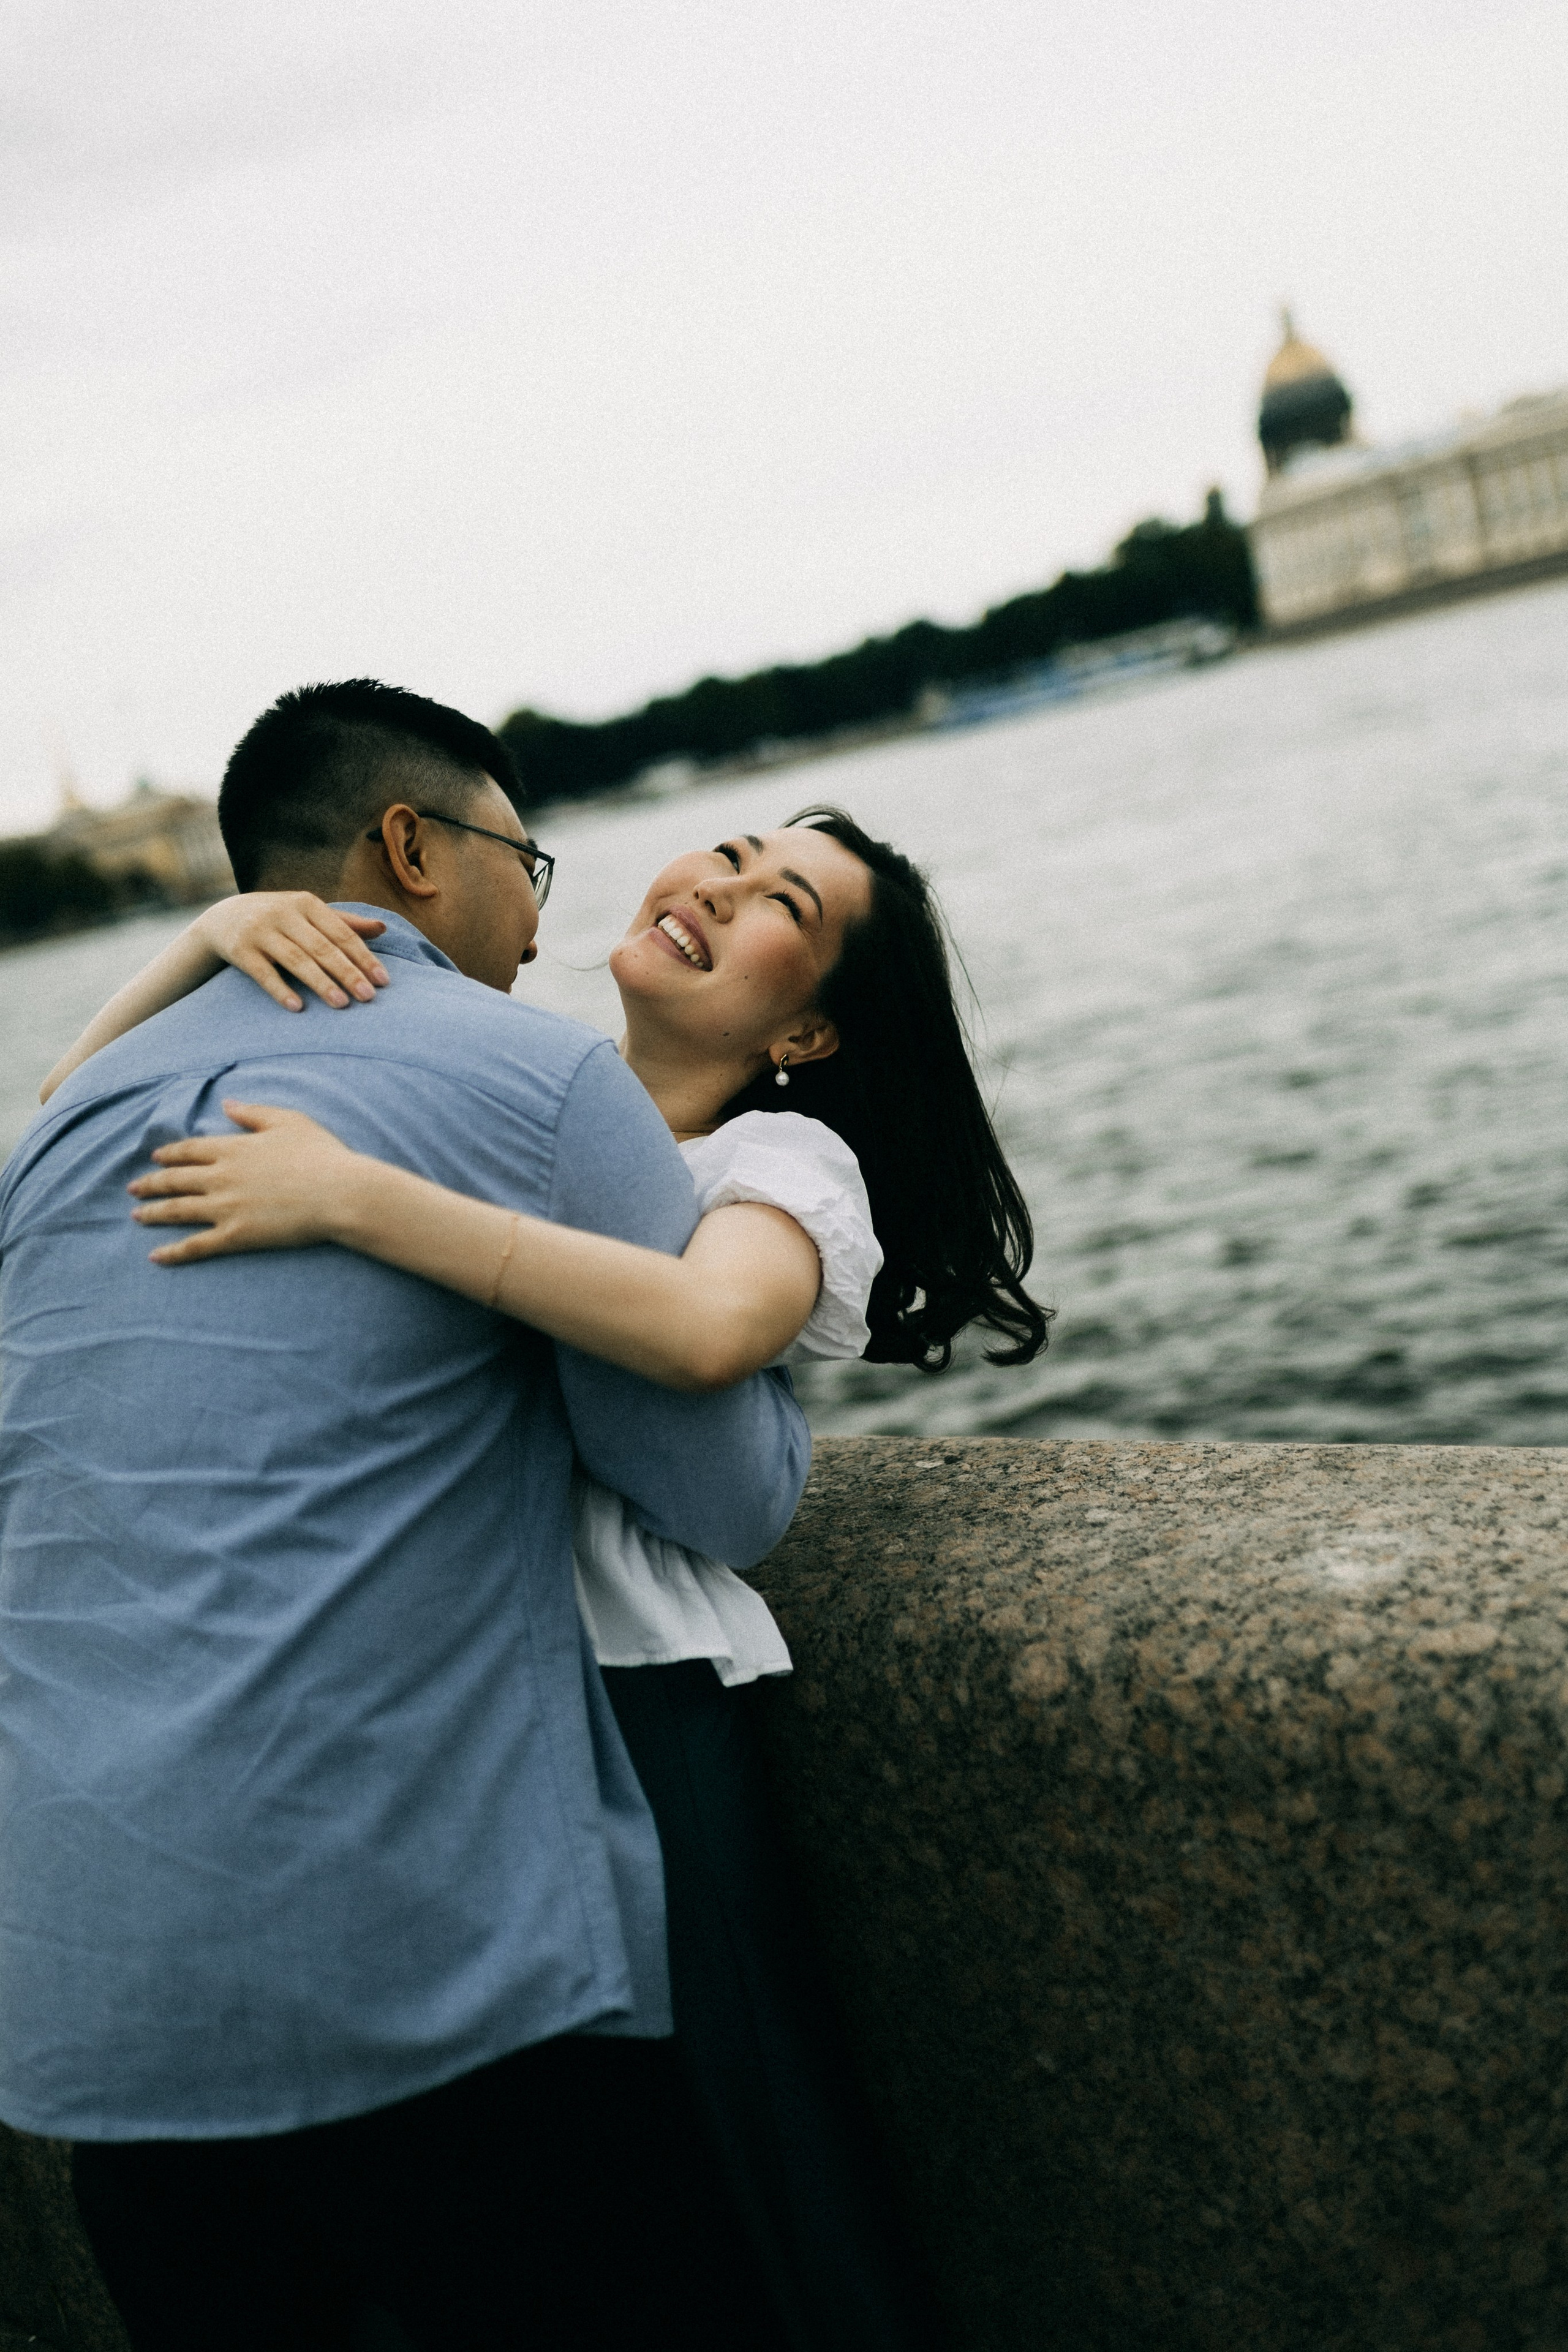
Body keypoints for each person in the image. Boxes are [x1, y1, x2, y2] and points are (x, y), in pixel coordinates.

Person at [49, 788, 1051, 2348]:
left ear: (804, 1036)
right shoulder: (497, 1103)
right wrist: (204, 941)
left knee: (720, 2177)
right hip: (461, 1714)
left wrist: (357, 1201)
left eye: (782, 900)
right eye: (726, 853)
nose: (720, 887)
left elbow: (712, 1332)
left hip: (641, 1718)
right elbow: (70, 1115)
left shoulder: (773, 1161)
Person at [0, 680, 814, 2352]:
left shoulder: (62, 1126)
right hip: (424, 1971)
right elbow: (723, 1500)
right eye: (530, 859)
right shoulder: (534, 1077)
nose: (540, 918)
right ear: (414, 848)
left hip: (93, 2011)